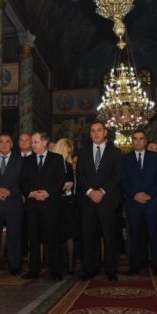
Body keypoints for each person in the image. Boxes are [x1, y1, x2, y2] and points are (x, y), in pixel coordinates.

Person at [76, 121, 122, 282]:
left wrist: (102, 191)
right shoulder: (83, 153)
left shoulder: (115, 152)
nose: (95, 133)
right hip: (88, 201)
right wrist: (90, 192)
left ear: (105, 132)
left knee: (109, 237)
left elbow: (117, 176)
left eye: (99, 130)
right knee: (89, 237)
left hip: (107, 200)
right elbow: (80, 175)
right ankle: (90, 268)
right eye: (92, 131)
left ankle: (111, 270)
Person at [20, 132, 65, 281]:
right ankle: (34, 270)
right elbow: (22, 181)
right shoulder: (27, 160)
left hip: (50, 205)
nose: (32, 145)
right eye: (32, 142)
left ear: (45, 142)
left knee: (53, 238)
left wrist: (48, 192)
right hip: (32, 206)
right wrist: (31, 193)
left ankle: (56, 271)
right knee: (33, 239)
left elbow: (60, 180)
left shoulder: (57, 159)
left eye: (35, 142)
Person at [122, 130, 157, 276]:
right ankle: (134, 266)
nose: (138, 141)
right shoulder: (125, 159)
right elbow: (123, 181)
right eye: (135, 139)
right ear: (132, 141)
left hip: (151, 202)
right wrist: (134, 195)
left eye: (141, 139)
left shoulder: (155, 157)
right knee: (134, 236)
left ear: (145, 141)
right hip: (133, 203)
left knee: (154, 235)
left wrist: (148, 194)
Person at [0, 134, 24, 275]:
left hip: (13, 204)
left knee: (14, 238)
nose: (4, 144)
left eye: (7, 142)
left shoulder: (20, 160)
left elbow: (23, 182)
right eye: (1, 141)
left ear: (12, 144)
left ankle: (15, 266)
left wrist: (10, 191)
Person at [53, 138, 79, 275]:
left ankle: (70, 264)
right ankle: (58, 264)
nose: (68, 154)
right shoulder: (51, 164)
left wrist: (69, 186)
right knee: (57, 234)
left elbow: (71, 184)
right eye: (66, 151)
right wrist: (60, 187)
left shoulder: (68, 165)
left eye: (70, 152)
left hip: (68, 203)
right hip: (55, 203)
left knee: (69, 234)